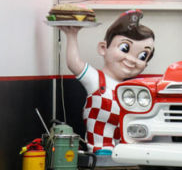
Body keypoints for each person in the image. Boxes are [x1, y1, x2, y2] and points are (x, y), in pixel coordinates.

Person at [59, 10, 155, 154]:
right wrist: (71, 35)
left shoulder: (133, 87)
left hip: (126, 145)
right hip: (101, 145)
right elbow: (74, 63)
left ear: (145, 64)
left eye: (142, 56)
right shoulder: (96, 79)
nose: (131, 59)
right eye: (125, 48)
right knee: (104, 152)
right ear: (103, 48)